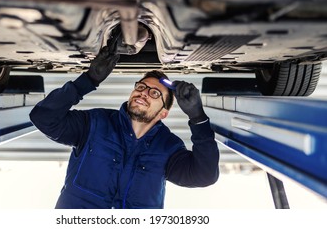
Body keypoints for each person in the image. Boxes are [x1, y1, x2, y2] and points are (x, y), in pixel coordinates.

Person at [29, 45, 219, 209]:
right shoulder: (95, 124)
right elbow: (44, 118)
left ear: (163, 113)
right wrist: (87, 80)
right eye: (141, 87)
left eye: (154, 93)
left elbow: (205, 175)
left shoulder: (168, 148)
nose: (143, 93)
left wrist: (198, 117)